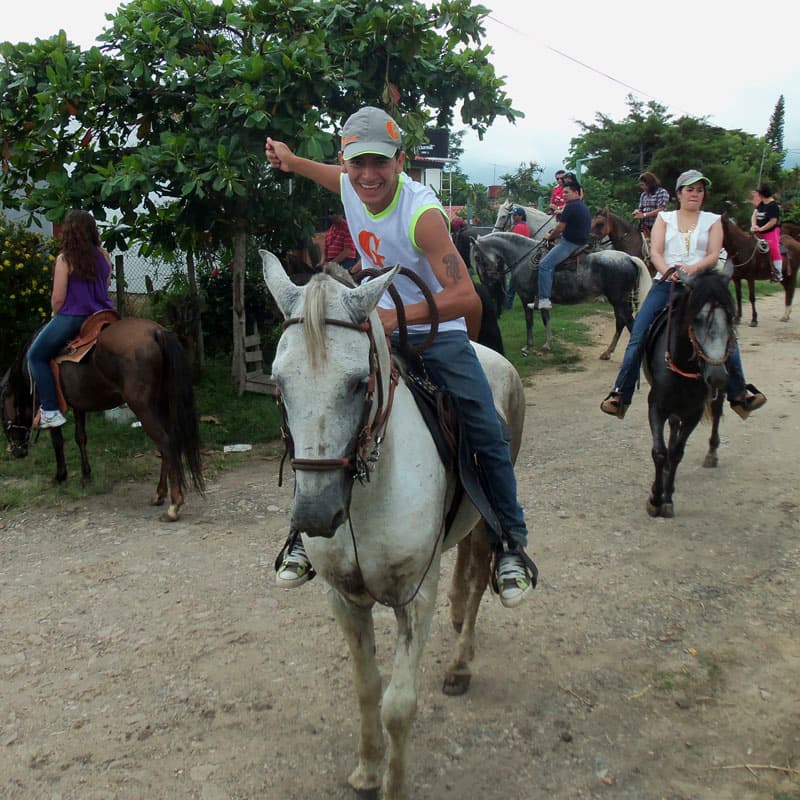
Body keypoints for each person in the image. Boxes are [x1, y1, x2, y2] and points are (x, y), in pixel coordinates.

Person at [265, 106, 536, 608]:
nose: (368, 175)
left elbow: (465, 297)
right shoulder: (351, 183)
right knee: (318, 398)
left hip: (436, 331)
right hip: (375, 321)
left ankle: (509, 543)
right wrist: (292, 160)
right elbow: (330, 176)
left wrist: (393, 319)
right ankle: (304, 531)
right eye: (358, 163)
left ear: (400, 162)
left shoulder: (422, 216)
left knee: (484, 423)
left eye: (380, 163)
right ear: (346, 161)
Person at [600, 170, 767, 421]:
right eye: (690, 190)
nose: (695, 194)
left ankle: (739, 394)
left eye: (699, 190)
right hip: (666, 284)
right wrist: (668, 271)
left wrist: (693, 269)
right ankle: (621, 394)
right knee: (638, 334)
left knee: (726, 332)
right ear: (679, 194)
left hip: (702, 284)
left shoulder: (712, 220)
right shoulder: (664, 218)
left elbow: (713, 254)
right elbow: (656, 252)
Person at [28, 210, 115, 429]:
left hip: (74, 316)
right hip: (103, 315)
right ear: (92, 230)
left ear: (68, 232)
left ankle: (50, 410)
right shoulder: (103, 255)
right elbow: (106, 284)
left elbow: (58, 299)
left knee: (35, 355)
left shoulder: (65, 258)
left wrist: (55, 315)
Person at [526, 176, 591, 311]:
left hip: (569, 243)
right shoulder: (582, 206)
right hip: (580, 241)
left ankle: (544, 299)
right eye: (563, 192)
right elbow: (573, 228)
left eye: (567, 192)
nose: (564, 195)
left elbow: (560, 228)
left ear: (576, 193)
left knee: (544, 264)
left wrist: (550, 236)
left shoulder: (571, 207)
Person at [750, 184, 782, 282]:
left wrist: (761, 229)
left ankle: (778, 273)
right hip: (758, 230)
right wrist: (754, 225)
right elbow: (754, 215)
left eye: (758, 193)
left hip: (770, 231)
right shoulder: (762, 204)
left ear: (762, 194)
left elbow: (773, 222)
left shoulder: (773, 206)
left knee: (773, 248)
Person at [504, 207, 532, 309]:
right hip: (524, 257)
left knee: (513, 283)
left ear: (521, 216)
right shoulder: (525, 226)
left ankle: (508, 305)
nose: (513, 217)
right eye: (513, 215)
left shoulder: (519, 227)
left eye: (515, 215)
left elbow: (513, 243)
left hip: (517, 258)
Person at [633, 171, 670, 237]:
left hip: (658, 226)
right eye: (641, 185)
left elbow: (661, 210)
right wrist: (638, 212)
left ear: (649, 183)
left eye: (643, 185)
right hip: (645, 227)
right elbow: (641, 209)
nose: (642, 187)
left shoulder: (662, 192)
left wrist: (644, 215)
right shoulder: (643, 195)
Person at [324, 207, 359, 273]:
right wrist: (323, 262)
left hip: (346, 261)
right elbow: (326, 249)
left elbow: (348, 250)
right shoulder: (330, 230)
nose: (334, 215)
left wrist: (331, 263)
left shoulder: (348, 227)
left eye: (336, 213)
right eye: (331, 213)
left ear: (342, 214)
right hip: (332, 262)